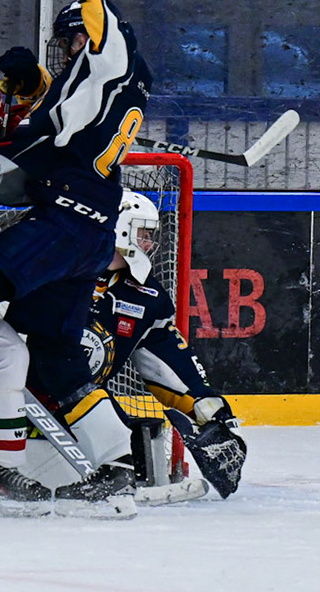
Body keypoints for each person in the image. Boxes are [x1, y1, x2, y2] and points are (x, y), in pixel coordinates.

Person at [0, 0, 154, 511]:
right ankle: (116, 468)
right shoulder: (112, 82)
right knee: (57, 354)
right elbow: (67, 107)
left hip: (64, 222)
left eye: (69, 42)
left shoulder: (113, 54)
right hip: (91, 234)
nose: (67, 53)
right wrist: (32, 86)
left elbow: (96, 65)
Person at [78, 190, 247, 499]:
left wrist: (205, 406)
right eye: (142, 233)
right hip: (25, 392)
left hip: (81, 398)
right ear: (119, 227)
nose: (148, 243)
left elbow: (167, 358)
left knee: (124, 429)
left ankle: (111, 480)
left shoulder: (146, 297)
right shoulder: (57, 269)